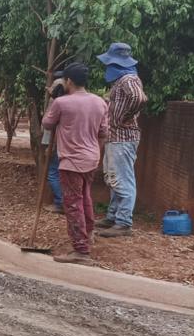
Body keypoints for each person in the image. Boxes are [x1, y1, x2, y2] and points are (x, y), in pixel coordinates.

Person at [41, 62, 108, 265]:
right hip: (91, 159)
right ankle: (88, 233)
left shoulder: (62, 103)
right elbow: (103, 133)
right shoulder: (100, 102)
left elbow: (46, 123)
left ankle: (81, 250)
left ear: (69, 80)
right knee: (85, 197)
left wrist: (54, 97)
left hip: (71, 161)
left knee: (72, 203)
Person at [95, 42, 147, 238]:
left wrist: (123, 116)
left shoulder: (128, 79)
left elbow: (139, 98)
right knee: (114, 178)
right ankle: (113, 217)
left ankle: (124, 222)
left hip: (123, 139)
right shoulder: (123, 80)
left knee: (122, 179)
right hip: (115, 137)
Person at [43, 70, 67, 214]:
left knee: (53, 172)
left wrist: (50, 146)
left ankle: (60, 202)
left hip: (57, 142)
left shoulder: (58, 101)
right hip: (61, 143)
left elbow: (48, 123)